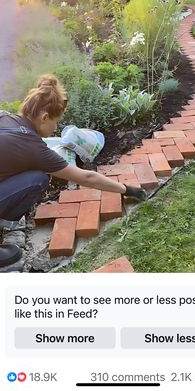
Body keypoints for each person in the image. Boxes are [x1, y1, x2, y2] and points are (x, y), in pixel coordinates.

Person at [0, 74, 146, 268]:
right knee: (38, 179)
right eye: (57, 121)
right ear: (44, 118)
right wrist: (127, 190)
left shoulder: (5, 117)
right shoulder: (33, 148)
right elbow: (86, 177)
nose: (56, 127)